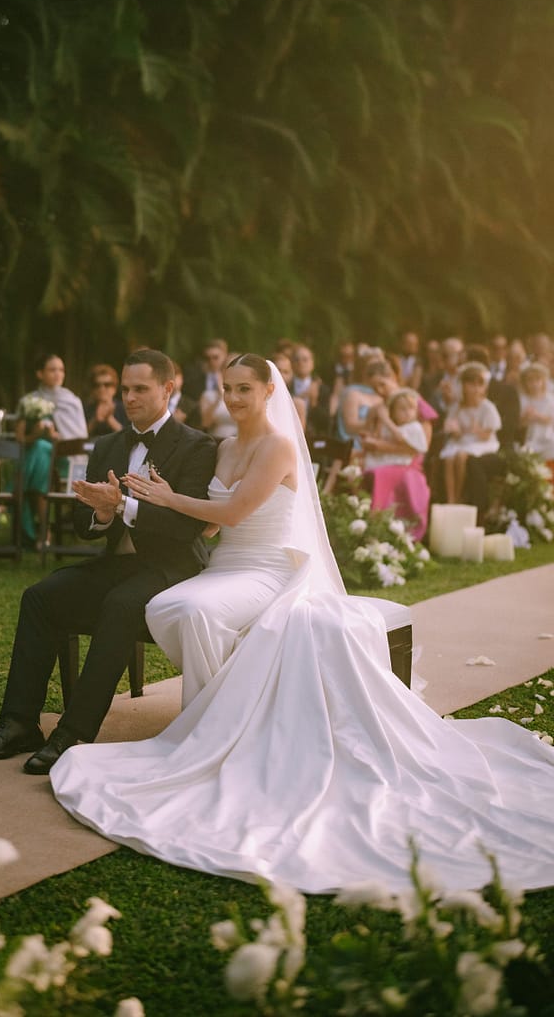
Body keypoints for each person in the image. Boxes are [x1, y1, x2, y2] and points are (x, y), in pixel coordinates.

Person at [51, 354, 554, 894]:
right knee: (165, 605)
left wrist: (165, 497)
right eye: (227, 389)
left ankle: (206, 732)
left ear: (270, 391)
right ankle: (218, 717)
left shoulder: (279, 446)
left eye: (245, 388)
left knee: (192, 609)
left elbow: (233, 515)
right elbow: (213, 535)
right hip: (226, 567)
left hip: (267, 569)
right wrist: (153, 501)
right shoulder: (222, 448)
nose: (234, 398)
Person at [0, 349, 218, 773]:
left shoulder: (198, 446)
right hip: (119, 565)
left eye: (141, 389)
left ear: (167, 389)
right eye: (125, 389)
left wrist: (123, 506)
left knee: (120, 604)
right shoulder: (107, 445)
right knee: (40, 597)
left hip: (172, 567)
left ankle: (73, 732)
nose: (129, 398)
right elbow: (83, 522)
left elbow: (185, 526)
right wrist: (102, 513)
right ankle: (18, 723)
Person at [14, 354, 88, 546]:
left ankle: (41, 530)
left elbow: (80, 439)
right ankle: (45, 531)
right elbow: (20, 440)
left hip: (67, 459)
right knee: (41, 450)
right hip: (40, 458)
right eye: (52, 369)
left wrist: (59, 439)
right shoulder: (29, 401)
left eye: (61, 370)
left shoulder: (72, 400)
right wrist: (37, 434)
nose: (58, 374)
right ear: (40, 373)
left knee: (41, 453)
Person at [361, 388, 431, 540]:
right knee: (372, 470)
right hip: (388, 463)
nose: (407, 412)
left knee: (382, 475)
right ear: (393, 411)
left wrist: (386, 420)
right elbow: (380, 438)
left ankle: (382, 517)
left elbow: (399, 439)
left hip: (404, 466)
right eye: (402, 409)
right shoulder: (393, 427)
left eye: (411, 408)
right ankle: (373, 521)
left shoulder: (414, 427)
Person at [440, 362, 501, 504]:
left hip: (481, 442)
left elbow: (487, 435)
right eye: (471, 384)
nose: (475, 389)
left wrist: (476, 429)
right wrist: (456, 432)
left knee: (461, 456)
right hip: (462, 440)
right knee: (449, 459)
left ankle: (459, 493)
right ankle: (451, 498)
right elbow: (455, 432)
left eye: (479, 385)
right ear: (463, 386)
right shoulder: (457, 407)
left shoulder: (487, 407)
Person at [84, 364, 128, 438]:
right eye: (97, 385)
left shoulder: (125, 408)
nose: (102, 389)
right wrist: (95, 421)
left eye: (107, 385)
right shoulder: (86, 409)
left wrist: (110, 420)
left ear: (114, 388)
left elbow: (129, 436)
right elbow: (80, 436)